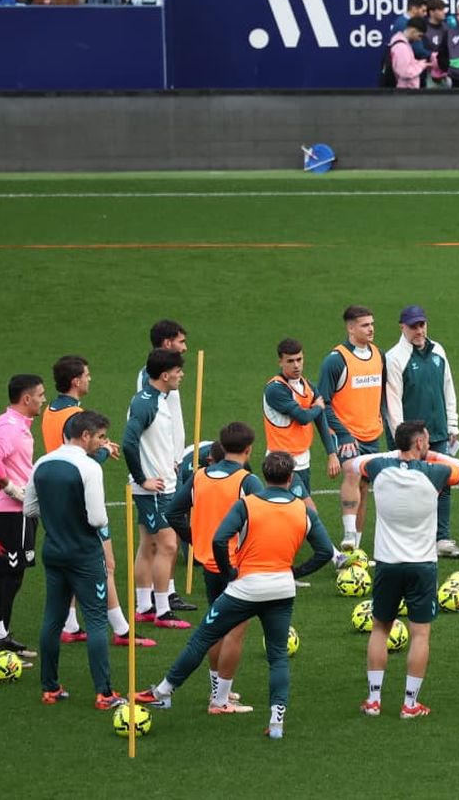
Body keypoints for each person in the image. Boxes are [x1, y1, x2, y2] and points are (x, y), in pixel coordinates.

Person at [137, 451, 335, 739]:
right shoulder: (302, 510)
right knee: (278, 656)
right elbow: (325, 552)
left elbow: (219, 538)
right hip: (281, 588)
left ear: (263, 476)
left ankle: (163, 691)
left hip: (246, 586)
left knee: (203, 636)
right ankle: (277, 723)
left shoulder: (247, 504)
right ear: (291, 478)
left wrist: (229, 571)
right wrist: (295, 572)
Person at [362, 420, 459, 718]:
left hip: (387, 564)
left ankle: (374, 700)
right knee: (420, 635)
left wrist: (394, 455)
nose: (430, 445)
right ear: (419, 444)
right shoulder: (435, 472)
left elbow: (354, 465)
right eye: (427, 441)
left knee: (380, 628)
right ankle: (410, 704)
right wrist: (435, 457)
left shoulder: (379, 469)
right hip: (422, 566)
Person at [25, 410, 127, 709]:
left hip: (53, 552)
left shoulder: (42, 463)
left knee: (53, 619)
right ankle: (104, 693)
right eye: (100, 437)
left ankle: (50, 688)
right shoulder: (89, 468)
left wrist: (58, 517)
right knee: (96, 621)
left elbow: (29, 509)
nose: (103, 443)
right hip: (84, 554)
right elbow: (97, 518)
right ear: (85, 436)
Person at [164, 422, 264, 713]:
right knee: (235, 631)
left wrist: (195, 540)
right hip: (238, 566)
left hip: (209, 563)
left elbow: (173, 512)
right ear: (248, 449)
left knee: (216, 626)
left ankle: (218, 691)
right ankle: (220, 701)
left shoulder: (199, 477)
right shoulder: (248, 481)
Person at [43, 356, 141, 648]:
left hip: (58, 494)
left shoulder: (50, 410)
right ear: (75, 381)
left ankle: (71, 625)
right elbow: (84, 457)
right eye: (86, 374)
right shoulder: (77, 417)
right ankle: (122, 630)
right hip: (81, 495)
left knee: (69, 564)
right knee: (105, 562)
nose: (90, 378)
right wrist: (103, 450)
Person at [384, 305, 459, 558]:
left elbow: (448, 389)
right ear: (402, 327)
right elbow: (393, 402)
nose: (419, 330)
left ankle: (442, 539)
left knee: (443, 483)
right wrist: (403, 438)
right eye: (413, 326)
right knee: (409, 486)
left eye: (422, 324)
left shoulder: (438, 351)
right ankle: (410, 540)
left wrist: (452, 425)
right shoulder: (395, 357)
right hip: (410, 440)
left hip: (439, 433)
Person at [123, 349, 192, 629]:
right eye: (177, 370)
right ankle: (163, 611)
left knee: (149, 545)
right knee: (168, 544)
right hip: (154, 491)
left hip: (163, 485)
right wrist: (142, 480)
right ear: (165, 375)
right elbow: (129, 441)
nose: (181, 375)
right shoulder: (145, 403)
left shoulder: (157, 399)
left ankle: (144, 607)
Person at [0, 373, 45, 661]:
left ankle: (1, 634)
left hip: (20, 512)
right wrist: (11, 489)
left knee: (13, 574)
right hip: (10, 514)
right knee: (7, 574)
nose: (44, 400)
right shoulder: (8, 428)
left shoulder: (18, 426)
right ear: (26, 398)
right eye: (41, 395)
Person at [319, 304, 384, 549]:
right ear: (350, 327)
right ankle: (347, 534)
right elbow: (322, 403)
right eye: (365, 325)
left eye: (372, 324)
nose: (371, 329)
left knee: (365, 487)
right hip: (346, 434)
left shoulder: (378, 355)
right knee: (352, 473)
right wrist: (343, 434)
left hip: (371, 434)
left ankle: (355, 547)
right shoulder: (336, 361)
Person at [262, 337, 336, 511]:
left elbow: (320, 420)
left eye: (299, 359)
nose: (296, 365)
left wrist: (332, 453)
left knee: (298, 515)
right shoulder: (275, 389)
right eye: (290, 361)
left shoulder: (307, 385)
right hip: (280, 461)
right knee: (308, 512)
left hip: (303, 459)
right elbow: (303, 417)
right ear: (280, 362)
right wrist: (318, 406)